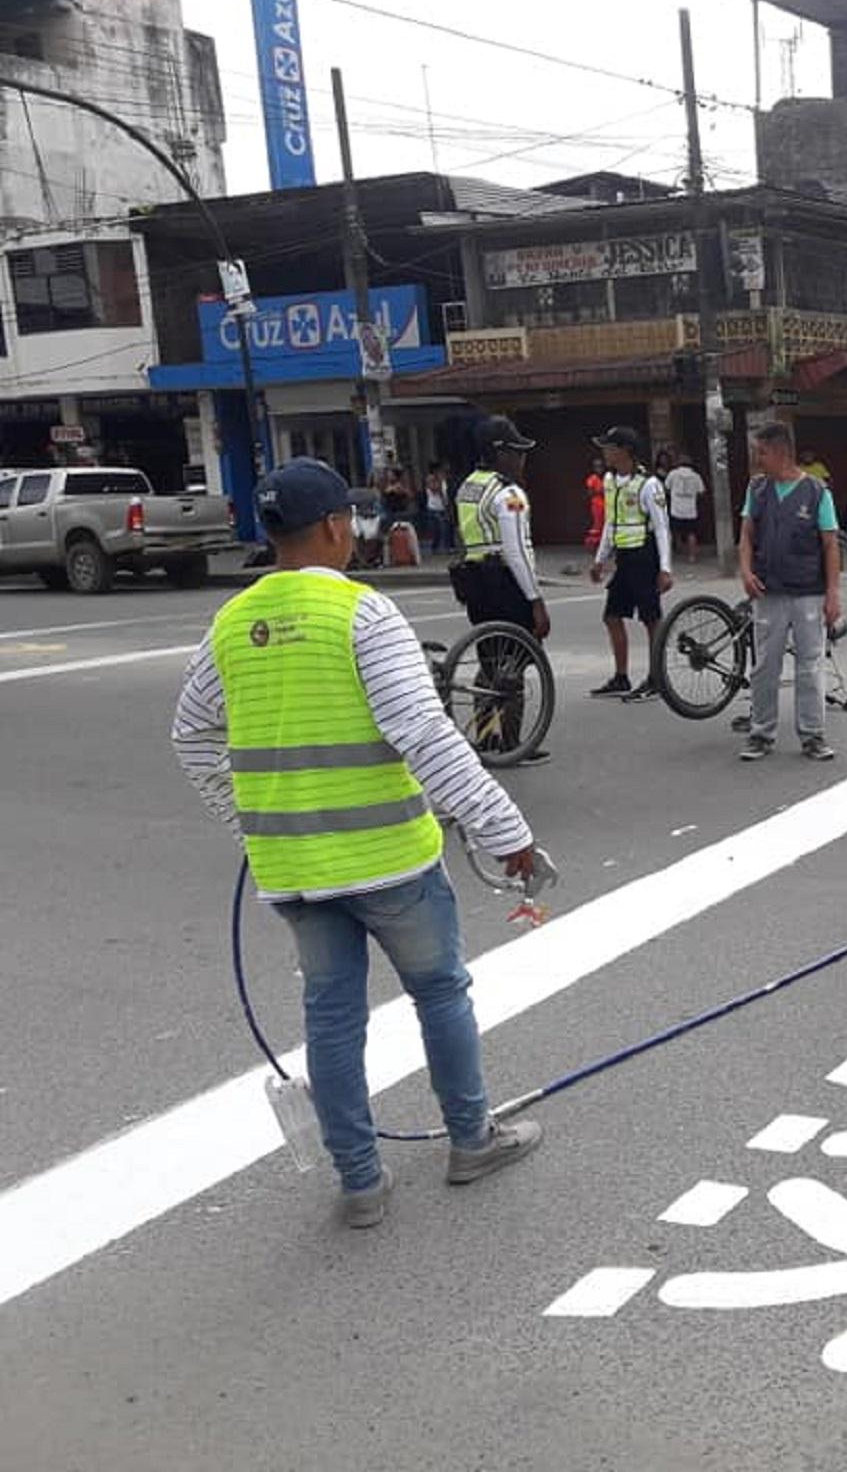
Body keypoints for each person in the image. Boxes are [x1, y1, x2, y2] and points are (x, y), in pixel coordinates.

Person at [170, 458, 545, 1230]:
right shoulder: (363, 616)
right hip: (388, 860)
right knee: (439, 992)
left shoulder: (233, 623)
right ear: (338, 526)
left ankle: (360, 1182)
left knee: (331, 1019)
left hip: (293, 869)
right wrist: (505, 831)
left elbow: (192, 735)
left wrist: (246, 820)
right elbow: (425, 733)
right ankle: (471, 1139)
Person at [738, 421, 841, 762]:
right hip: (769, 592)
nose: (758, 460)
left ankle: (812, 735)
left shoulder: (816, 492)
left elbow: (830, 545)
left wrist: (833, 594)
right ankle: (761, 733)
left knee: (809, 666)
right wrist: (746, 571)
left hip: (808, 591)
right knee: (765, 665)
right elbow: (747, 536)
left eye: (762, 453)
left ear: (782, 453)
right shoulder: (758, 490)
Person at [454, 417, 551, 764]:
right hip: (505, 583)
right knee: (515, 663)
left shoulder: (468, 486)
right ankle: (513, 743)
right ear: (501, 454)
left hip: (475, 583)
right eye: (516, 453)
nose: (522, 461)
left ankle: (485, 736)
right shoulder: (509, 494)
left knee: (490, 659)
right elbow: (517, 552)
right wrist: (536, 600)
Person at [588, 426, 675, 700]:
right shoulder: (611, 481)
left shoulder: (648, 484)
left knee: (651, 619)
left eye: (609, 447)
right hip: (624, 556)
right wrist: (600, 560)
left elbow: (662, 528)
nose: (605, 453)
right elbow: (610, 523)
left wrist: (665, 568)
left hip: (644, 555)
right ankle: (621, 676)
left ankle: (656, 678)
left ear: (624, 451)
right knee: (612, 616)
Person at [661, 448, 707, 563]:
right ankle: (692, 556)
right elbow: (702, 491)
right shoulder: (696, 476)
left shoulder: (673, 474)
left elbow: (665, 487)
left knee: (673, 531)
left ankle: (671, 554)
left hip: (676, 508)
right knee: (691, 533)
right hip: (691, 510)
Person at [583, 455, 606, 556]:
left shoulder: (607, 477)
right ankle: (593, 547)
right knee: (597, 526)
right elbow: (590, 493)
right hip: (597, 505)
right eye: (597, 466)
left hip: (606, 505)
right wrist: (600, 492)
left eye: (600, 466)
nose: (599, 469)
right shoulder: (592, 479)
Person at [423, 467, 450, 554]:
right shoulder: (432, 480)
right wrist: (439, 482)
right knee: (439, 528)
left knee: (444, 527)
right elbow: (434, 490)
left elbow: (445, 494)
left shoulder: (443, 482)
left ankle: (445, 546)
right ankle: (436, 547)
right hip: (434, 508)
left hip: (442, 507)